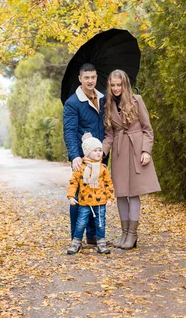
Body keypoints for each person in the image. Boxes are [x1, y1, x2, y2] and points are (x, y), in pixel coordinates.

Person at [102, 69, 161, 250]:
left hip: (136, 150)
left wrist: (146, 151)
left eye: (119, 85)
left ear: (125, 84)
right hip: (119, 151)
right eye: (112, 85)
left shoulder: (137, 100)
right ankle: (124, 233)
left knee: (134, 192)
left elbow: (147, 129)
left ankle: (133, 235)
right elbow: (109, 135)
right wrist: (100, 152)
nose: (116, 88)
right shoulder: (108, 105)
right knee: (120, 193)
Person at [63, 63, 106, 245]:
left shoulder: (103, 99)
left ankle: (94, 235)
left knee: (97, 194)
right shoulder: (73, 103)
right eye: (86, 77)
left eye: (93, 77)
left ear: (96, 78)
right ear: (80, 79)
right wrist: (75, 156)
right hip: (82, 158)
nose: (90, 81)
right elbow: (70, 131)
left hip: (99, 156)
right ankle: (76, 236)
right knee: (80, 196)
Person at [67, 133, 115, 254]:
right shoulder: (81, 168)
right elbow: (73, 182)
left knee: (100, 223)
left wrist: (110, 198)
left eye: (100, 150)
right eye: (95, 150)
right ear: (87, 153)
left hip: (100, 202)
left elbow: (109, 183)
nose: (99, 153)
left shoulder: (103, 168)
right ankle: (76, 242)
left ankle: (101, 243)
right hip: (85, 202)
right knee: (81, 223)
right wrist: (71, 196)